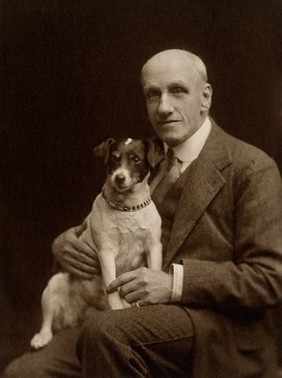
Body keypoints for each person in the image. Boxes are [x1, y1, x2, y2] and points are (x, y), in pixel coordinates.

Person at [4, 49, 282, 378]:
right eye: (153, 94)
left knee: (107, 331)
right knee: (26, 373)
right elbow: (102, 232)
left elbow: (269, 278)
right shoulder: (143, 161)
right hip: (125, 319)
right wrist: (63, 247)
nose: (164, 107)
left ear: (205, 97)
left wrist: (175, 283)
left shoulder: (251, 167)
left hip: (213, 330)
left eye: (177, 90)